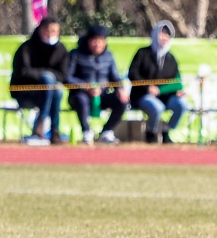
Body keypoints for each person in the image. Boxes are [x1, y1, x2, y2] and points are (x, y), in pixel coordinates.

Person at [66, 23, 130, 144]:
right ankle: (86, 132)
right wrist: (86, 87)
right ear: (88, 41)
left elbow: (115, 78)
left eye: (101, 41)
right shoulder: (75, 54)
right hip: (80, 94)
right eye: (95, 40)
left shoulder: (109, 56)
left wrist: (120, 89)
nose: (98, 44)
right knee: (81, 100)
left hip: (103, 94)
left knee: (123, 101)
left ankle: (106, 132)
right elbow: (67, 78)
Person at [12, 16, 69, 145]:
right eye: (47, 31)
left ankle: (53, 131)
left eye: (54, 31)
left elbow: (63, 75)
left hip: (51, 92)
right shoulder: (26, 48)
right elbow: (23, 71)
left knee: (58, 90)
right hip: (27, 93)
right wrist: (44, 76)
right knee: (48, 80)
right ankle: (40, 127)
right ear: (40, 30)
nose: (50, 34)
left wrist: (48, 76)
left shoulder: (61, 49)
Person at [128, 21, 187, 143]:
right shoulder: (143, 53)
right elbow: (133, 74)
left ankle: (166, 130)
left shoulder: (171, 58)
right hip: (143, 95)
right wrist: (148, 87)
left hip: (166, 97)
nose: (164, 37)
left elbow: (176, 80)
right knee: (157, 107)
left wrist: (178, 91)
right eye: (162, 34)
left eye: (167, 35)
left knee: (182, 105)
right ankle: (151, 132)